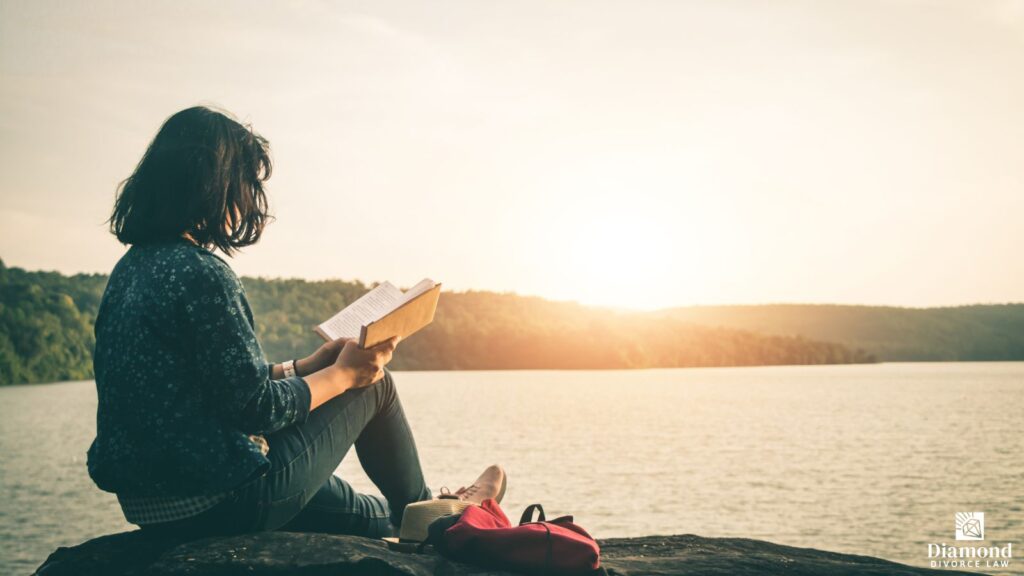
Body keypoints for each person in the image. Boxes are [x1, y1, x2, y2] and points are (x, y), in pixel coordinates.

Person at [86, 105, 505, 538]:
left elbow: (211, 389)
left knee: (368, 511)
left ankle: (436, 508)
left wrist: (306, 367)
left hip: (156, 508)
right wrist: (344, 375)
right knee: (375, 384)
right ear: (217, 183)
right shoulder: (202, 273)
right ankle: (438, 523)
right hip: (224, 499)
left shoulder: (130, 271)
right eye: (246, 182)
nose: (249, 197)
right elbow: (256, 408)